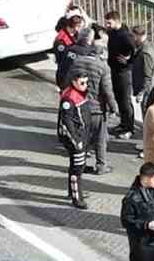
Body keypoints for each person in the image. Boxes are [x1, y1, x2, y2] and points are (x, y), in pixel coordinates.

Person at [66, 27, 117, 174]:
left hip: (79, 105)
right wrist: (114, 108)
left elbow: (68, 82)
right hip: (96, 109)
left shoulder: (77, 62)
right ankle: (101, 166)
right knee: (100, 138)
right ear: (102, 54)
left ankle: (80, 164)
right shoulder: (103, 67)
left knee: (82, 136)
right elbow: (107, 91)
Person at [57, 73, 96, 208]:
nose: (85, 86)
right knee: (77, 168)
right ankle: (76, 197)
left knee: (78, 164)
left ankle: (74, 191)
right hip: (75, 137)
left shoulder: (78, 93)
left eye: (86, 83)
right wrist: (76, 141)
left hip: (82, 134)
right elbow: (67, 122)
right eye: (82, 83)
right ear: (73, 82)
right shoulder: (69, 98)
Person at [105, 12, 137, 138]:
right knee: (119, 98)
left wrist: (128, 61)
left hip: (124, 72)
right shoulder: (112, 32)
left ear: (116, 21)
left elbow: (135, 52)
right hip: (115, 69)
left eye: (109, 22)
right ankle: (123, 124)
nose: (107, 25)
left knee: (125, 100)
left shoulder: (126, 36)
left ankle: (129, 127)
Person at [131, 25, 154, 124]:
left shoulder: (145, 52)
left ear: (138, 36)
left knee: (147, 116)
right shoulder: (150, 45)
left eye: (133, 36)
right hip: (151, 88)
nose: (132, 39)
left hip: (148, 90)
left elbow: (148, 76)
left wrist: (142, 93)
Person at [52, 8, 85, 86]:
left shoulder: (75, 34)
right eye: (78, 26)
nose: (79, 29)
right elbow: (63, 58)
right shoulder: (61, 41)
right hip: (65, 74)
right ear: (72, 25)